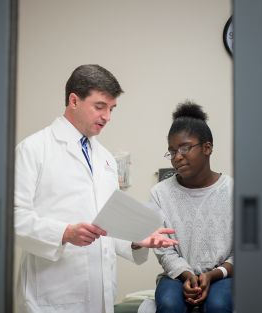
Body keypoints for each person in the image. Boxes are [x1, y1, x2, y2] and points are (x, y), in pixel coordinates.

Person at [14, 64, 178, 313]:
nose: (107, 117)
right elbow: (12, 219)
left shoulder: (105, 158)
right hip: (51, 296)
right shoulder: (34, 149)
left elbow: (107, 226)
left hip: (100, 296)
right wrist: (64, 233)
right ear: (74, 100)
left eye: (111, 109)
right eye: (100, 106)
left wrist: (136, 241)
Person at [150, 101, 233, 313]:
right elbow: (164, 250)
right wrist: (188, 275)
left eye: (185, 148)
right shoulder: (160, 193)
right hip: (178, 276)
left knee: (218, 305)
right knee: (169, 304)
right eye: (172, 151)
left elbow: (243, 250)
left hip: (224, 274)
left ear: (207, 148)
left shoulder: (234, 191)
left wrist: (214, 274)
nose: (177, 157)